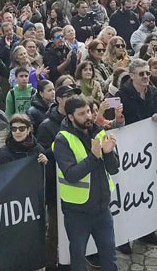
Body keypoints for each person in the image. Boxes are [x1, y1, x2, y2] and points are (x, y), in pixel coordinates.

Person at [53, 94, 119, 271]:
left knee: (109, 254)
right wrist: (94, 156)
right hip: (77, 211)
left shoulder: (99, 131)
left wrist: (107, 153)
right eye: (82, 113)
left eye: (89, 111)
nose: (88, 116)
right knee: (78, 257)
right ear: (70, 117)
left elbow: (113, 169)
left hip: (102, 208)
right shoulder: (62, 139)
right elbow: (71, 175)